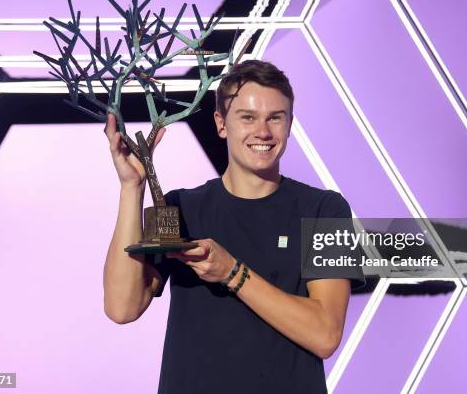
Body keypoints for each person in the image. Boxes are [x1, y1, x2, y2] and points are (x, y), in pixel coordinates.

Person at [102, 60, 365, 393]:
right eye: (248, 117)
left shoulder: (325, 210)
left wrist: (231, 272)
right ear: (221, 124)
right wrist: (132, 187)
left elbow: (325, 334)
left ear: (290, 124)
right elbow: (121, 308)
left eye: (275, 117)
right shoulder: (180, 207)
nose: (264, 132)